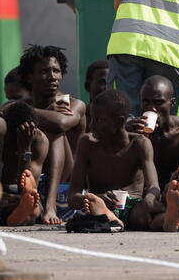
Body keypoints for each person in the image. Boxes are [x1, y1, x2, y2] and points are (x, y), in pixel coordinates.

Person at [68, 90, 163, 231]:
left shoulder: (139, 144)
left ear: (119, 121)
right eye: (92, 119)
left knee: (141, 216)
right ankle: (109, 216)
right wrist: (95, 198)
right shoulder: (87, 143)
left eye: (99, 120)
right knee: (88, 216)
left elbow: (153, 186)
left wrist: (149, 200)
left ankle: (172, 218)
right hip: (100, 207)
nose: (92, 126)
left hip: (133, 208)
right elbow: (73, 198)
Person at [18, 45, 85, 224]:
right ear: (29, 77)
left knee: (56, 133)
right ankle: (29, 199)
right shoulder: (23, 104)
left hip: (67, 179)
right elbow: (2, 113)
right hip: (34, 168)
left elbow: (61, 123)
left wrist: (28, 112)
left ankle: (50, 206)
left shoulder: (74, 104)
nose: (53, 76)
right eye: (45, 71)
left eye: (56, 71)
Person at [127, 76, 179, 229]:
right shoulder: (131, 131)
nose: (151, 109)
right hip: (144, 195)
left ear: (172, 103)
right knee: (139, 216)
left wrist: (173, 194)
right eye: (146, 102)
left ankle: (171, 214)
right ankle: (169, 219)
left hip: (173, 194)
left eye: (158, 102)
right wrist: (128, 137)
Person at [83, 59, 109, 128]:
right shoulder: (79, 117)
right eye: (102, 82)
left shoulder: (119, 121)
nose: (108, 88)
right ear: (87, 86)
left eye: (110, 83)